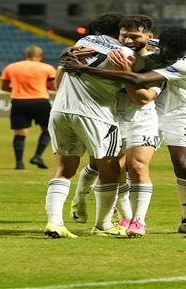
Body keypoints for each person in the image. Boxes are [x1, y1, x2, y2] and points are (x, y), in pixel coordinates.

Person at [62, 26, 186, 235]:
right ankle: (100, 204)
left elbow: (138, 80)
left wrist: (84, 69)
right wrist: (70, 50)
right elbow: (110, 46)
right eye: (168, 53)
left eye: (176, 55)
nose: (171, 58)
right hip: (142, 113)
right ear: (161, 44)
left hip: (179, 114)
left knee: (183, 165)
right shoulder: (152, 44)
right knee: (112, 166)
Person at [70, 15, 162, 238]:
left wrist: (126, 73)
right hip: (109, 118)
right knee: (109, 171)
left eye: (134, 36)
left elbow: (142, 99)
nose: (128, 40)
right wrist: (69, 56)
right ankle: (110, 211)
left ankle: (137, 222)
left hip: (142, 120)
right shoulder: (109, 54)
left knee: (138, 167)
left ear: (149, 37)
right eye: (124, 36)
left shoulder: (156, 62)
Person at [44, 12, 134, 239]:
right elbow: (131, 82)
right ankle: (103, 224)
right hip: (96, 115)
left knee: (64, 170)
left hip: (60, 110)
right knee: (111, 170)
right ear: (120, 31)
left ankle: (54, 223)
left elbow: (59, 78)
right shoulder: (125, 53)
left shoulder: (81, 43)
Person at [0, 45, 57, 170]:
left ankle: (19, 163)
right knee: (48, 130)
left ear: (24, 55)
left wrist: (17, 89)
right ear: (40, 55)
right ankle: (37, 156)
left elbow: (3, 87)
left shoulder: (11, 67)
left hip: (19, 101)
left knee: (20, 133)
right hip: (40, 101)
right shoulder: (47, 68)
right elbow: (53, 86)